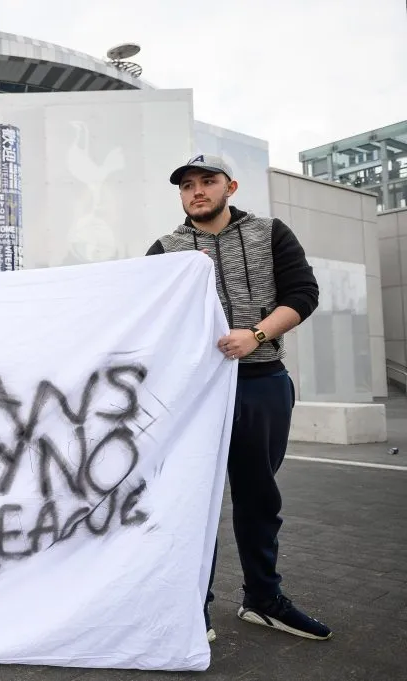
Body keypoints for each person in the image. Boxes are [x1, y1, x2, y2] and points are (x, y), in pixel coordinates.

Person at [146, 154, 331, 643]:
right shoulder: (167, 250)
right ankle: (192, 610)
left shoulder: (270, 233)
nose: (197, 191)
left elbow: (303, 293)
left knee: (258, 496)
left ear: (230, 187)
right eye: (187, 185)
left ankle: (263, 600)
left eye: (207, 181)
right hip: (196, 392)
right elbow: (148, 317)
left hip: (262, 380)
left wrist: (256, 334)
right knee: (191, 499)